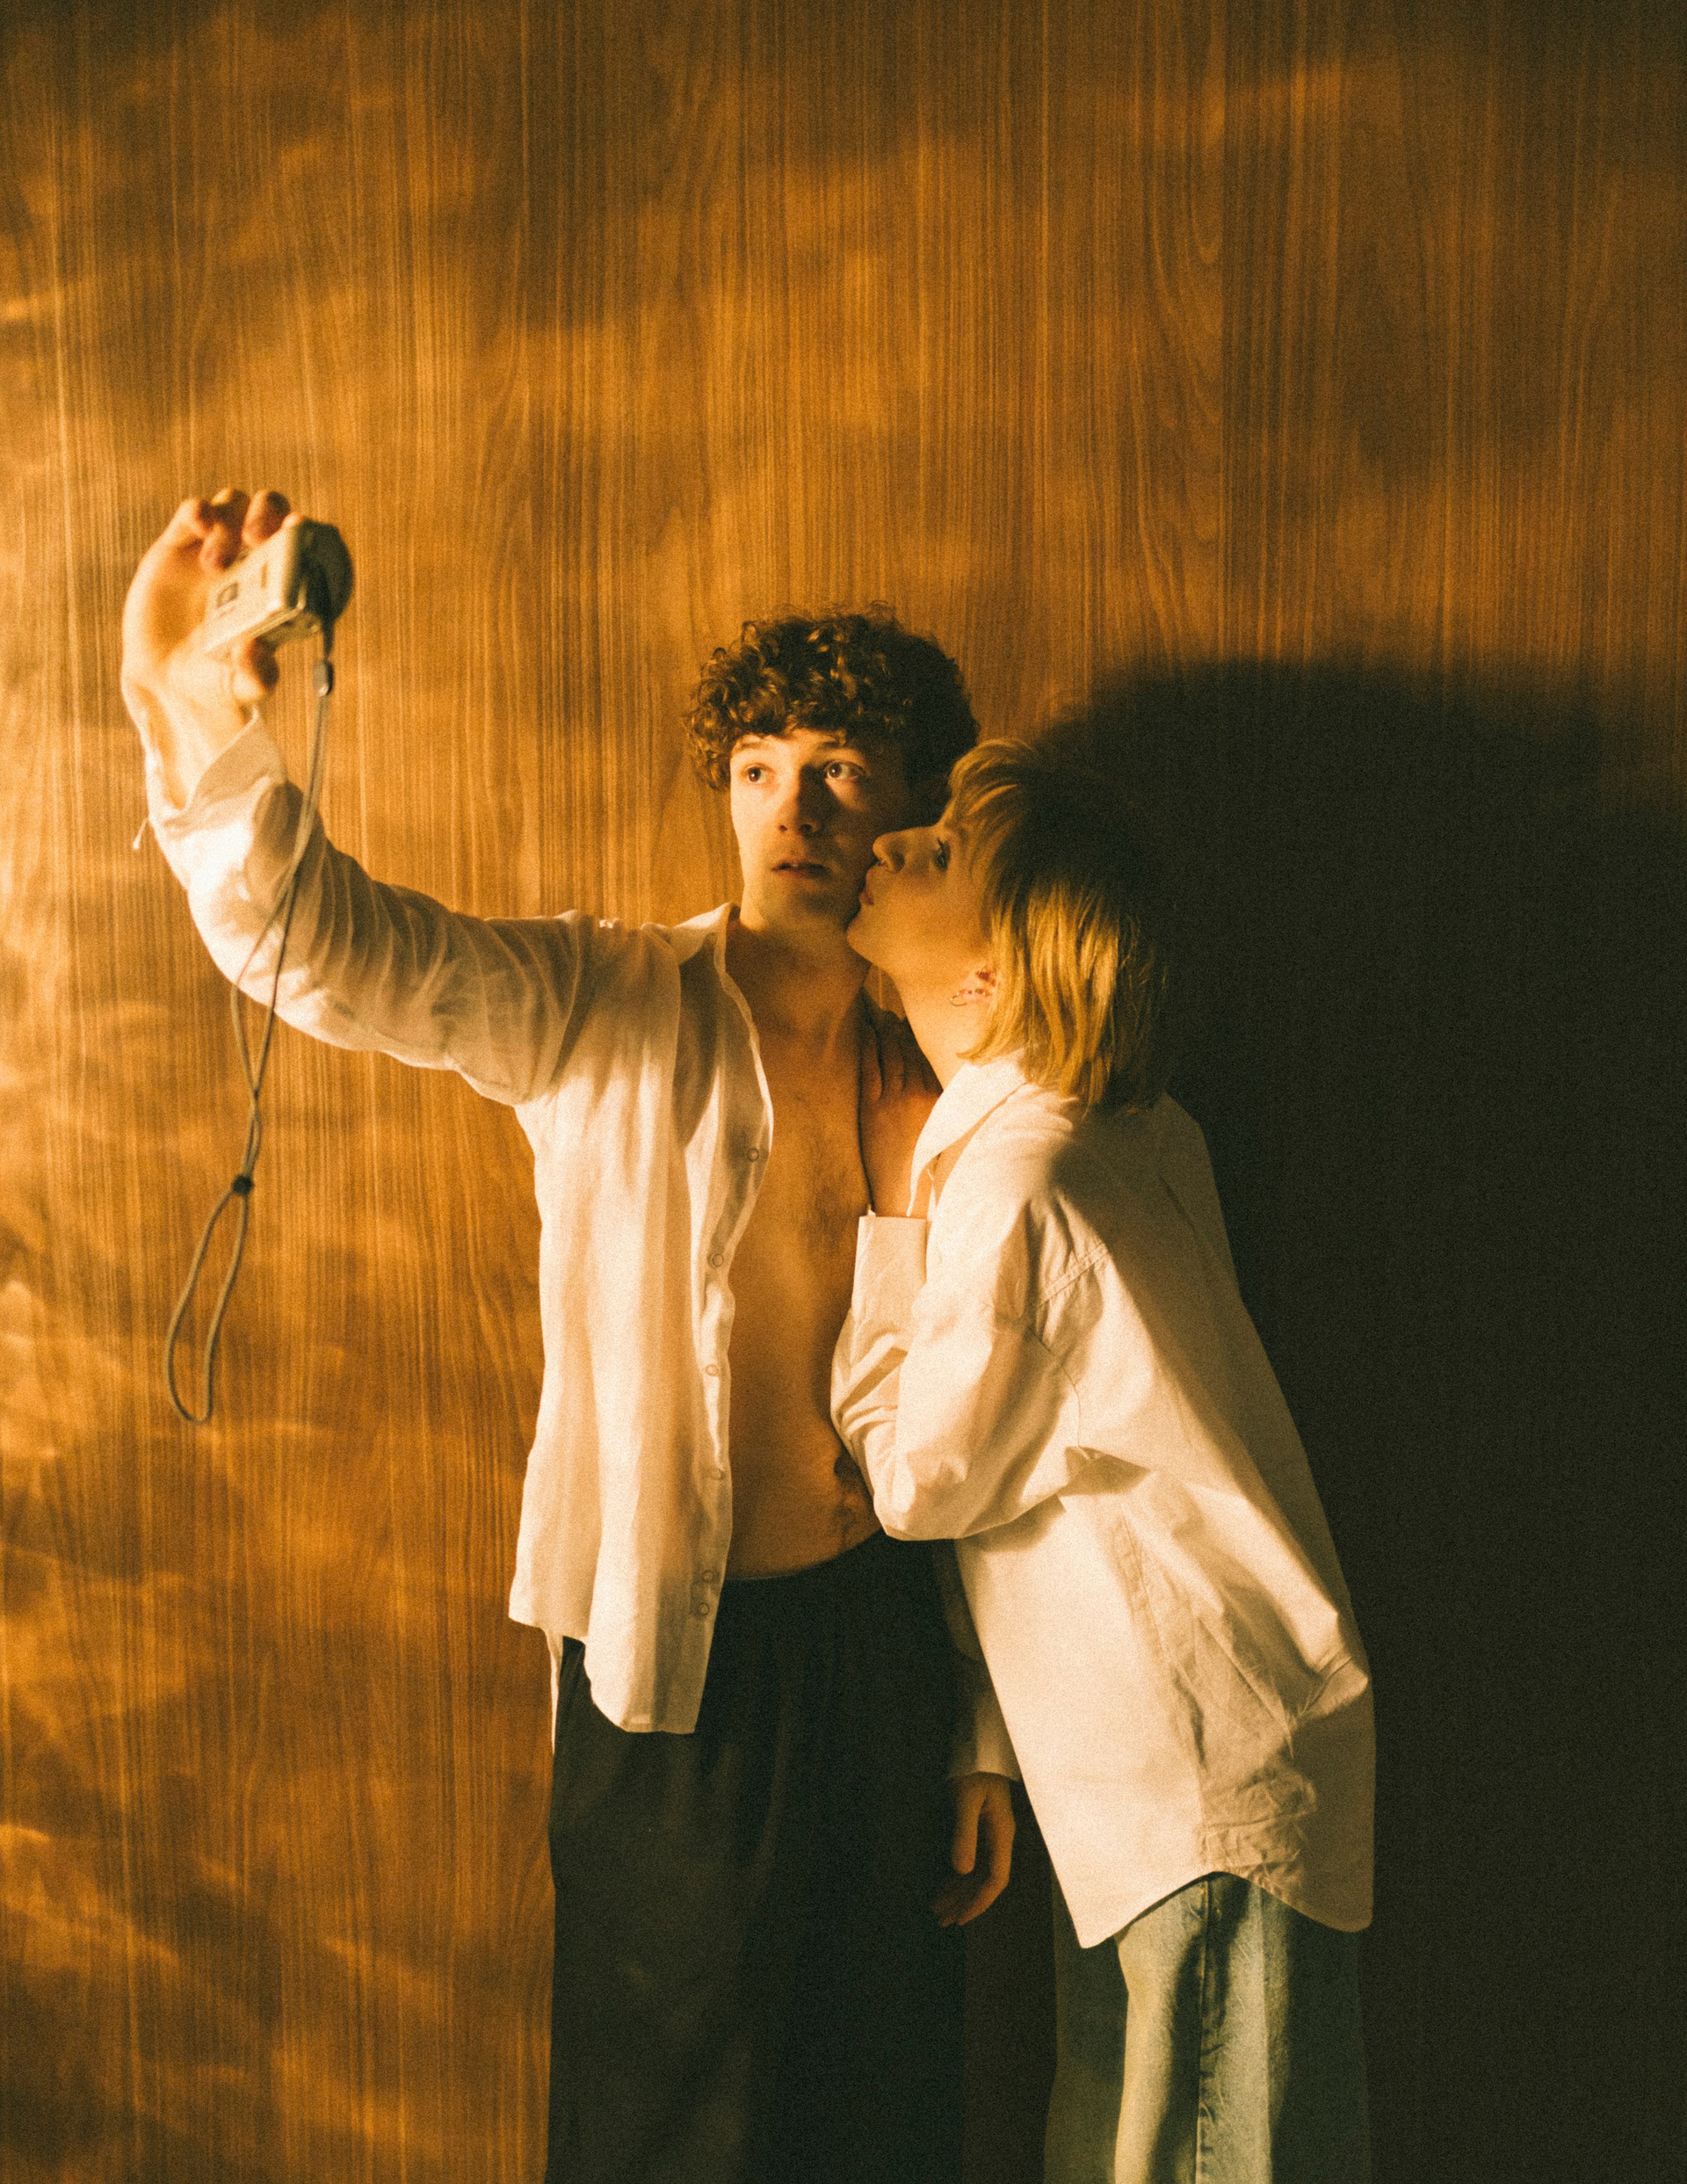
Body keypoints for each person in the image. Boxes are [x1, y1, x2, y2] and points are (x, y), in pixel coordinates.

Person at [119, 488, 1018, 2184]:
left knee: (883, 2119)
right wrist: (202, 718)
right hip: (669, 1671)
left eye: (839, 768)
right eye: (757, 768)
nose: (793, 808)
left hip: (881, 1652)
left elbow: (995, 1425)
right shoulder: (602, 1007)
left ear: (917, 805)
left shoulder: (958, 1069)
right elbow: (330, 948)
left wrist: (979, 1725)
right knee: (667, 2136)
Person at [834, 737, 1375, 2184]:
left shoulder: (1023, 1174)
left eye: (939, 851)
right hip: (1191, 1761)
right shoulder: (1126, 1129)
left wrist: (892, 1229)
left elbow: (920, 1482)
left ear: (992, 973)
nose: (890, 844)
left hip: (1186, 1773)